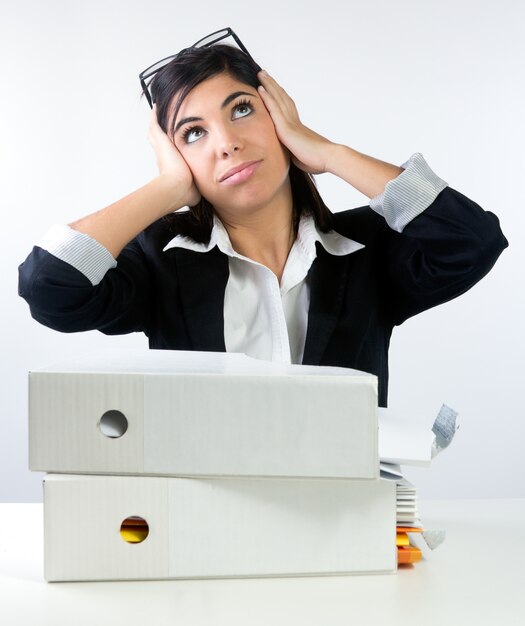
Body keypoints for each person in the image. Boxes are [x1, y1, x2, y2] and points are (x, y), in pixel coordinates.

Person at [18, 28, 508, 407]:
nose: (226, 142)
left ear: (279, 116)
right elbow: (51, 289)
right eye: (193, 134)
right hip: (205, 513)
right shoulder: (163, 263)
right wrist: (167, 189)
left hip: (342, 514)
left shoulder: (365, 249)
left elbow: (472, 240)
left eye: (242, 109)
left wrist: (330, 152)